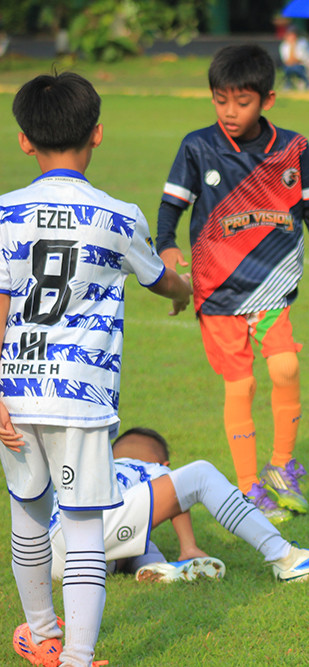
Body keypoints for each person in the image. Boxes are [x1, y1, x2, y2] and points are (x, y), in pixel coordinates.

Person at [0, 72, 192, 667]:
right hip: (81, 395)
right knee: (83, 526)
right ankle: (79, 659)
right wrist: (183, 287)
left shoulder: (4, 212)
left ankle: (42, 635)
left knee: (29, 516)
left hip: (16, 393)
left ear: (25, 140)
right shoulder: (117, 216)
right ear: (98, 134)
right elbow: (160, 279)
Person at [156, 45, 309, 524]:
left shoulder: (293, 149)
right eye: (219, 100)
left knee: (285, 367)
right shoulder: (198, 146)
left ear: (267, 98)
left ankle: (282, 469)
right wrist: (166, 249)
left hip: (271, 286)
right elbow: (171, 207)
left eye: (241, 101)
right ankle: (248, 488)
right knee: (240, 385)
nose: (229, 111)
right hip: (217, 290)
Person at [47, 428, 309, 584]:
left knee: (139, 541)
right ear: (164, 462)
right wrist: (189, 545)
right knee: (200, 474)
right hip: (88, 539)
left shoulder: (102, 467)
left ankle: (154, 570)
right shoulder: (146, 468)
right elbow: (177, 497)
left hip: (57, 557)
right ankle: (285, 558)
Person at [279, 26, 309, 90]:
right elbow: (287, 61)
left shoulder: (302, 43)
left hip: (301, 66)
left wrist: (293, 46)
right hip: (289, 66)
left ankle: (306, 83)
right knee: (289, 69)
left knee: (296, 68)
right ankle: (289, 85)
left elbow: (300, 59)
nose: (292, 36)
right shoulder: (284, 45)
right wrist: (291, 47)